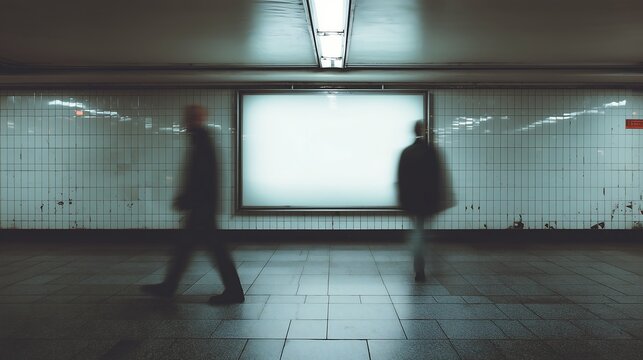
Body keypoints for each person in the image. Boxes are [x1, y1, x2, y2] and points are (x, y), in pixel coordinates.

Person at [141, 105, 244, 304]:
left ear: (195, 119)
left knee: (213, 250)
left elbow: (201, 177)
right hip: (202, 206)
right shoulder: (202, 140)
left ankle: (233, 291)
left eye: (189, 118)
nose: (185, 122)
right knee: (186, 248)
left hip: (201, 208)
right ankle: (169, 286)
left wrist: (187, 198)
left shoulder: (202, 142)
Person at [398, 120, 444, 282]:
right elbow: (437, 177)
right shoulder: (431, 152)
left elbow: (401, 179)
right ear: (424, 131)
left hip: (411, 201)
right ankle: (424, 261)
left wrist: (402, 201)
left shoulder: (406, 152)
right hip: (427, 200)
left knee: (417, 231)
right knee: (422, 230)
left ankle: (418, 266)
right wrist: (438, 200)